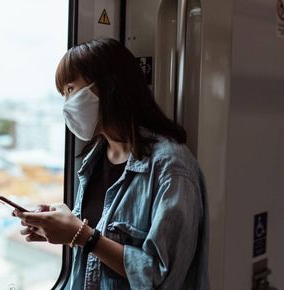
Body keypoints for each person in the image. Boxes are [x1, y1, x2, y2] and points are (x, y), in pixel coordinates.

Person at [13, 38, 210, 290]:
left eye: (71, 89)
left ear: (107, 86)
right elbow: (99, 236)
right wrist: (60, 227)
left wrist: (81, 236)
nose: (67, 104)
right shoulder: (95, 157)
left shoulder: (171, 167)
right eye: (63, 94)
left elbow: (162, 278)